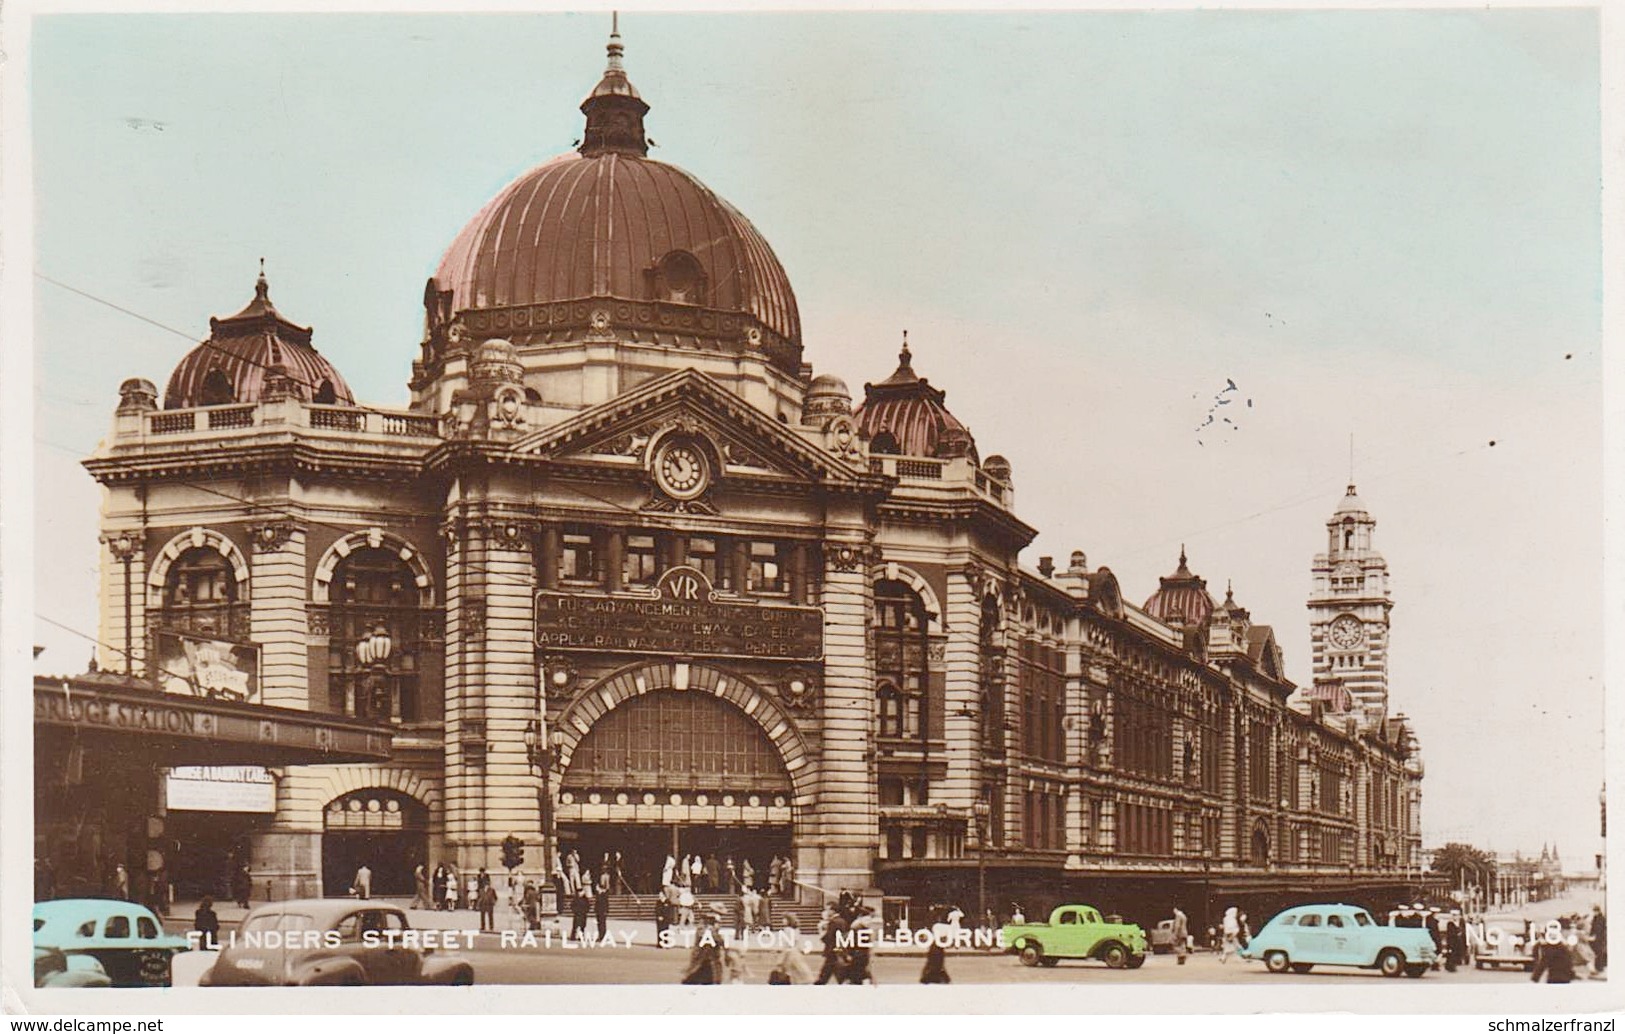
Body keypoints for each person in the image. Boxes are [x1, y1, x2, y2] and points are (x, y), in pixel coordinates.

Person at [768, 916, 815, 984]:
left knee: (788, 969)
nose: (783, 921)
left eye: (784, 919)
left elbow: (788, 942)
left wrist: (780, 951)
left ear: (788, 920)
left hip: (789, 952)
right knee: (796, 969)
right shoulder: (795, 930)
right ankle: (805, 980)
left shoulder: (787, 930)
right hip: (794, 952)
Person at [814, 903, 850, 984]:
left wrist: (822, 935)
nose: (826, 912)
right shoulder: (842, 921)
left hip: (832, 950)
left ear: (833, 911)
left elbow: (829, 937)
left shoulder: (834, 922)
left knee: (827, 972)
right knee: (830, 971)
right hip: (837, 950)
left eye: (828, 909)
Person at [571, 874, 593, 942]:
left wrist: (586, 911)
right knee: (575, 926)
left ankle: (581, 936)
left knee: (582, 926)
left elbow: (588, 906)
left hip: (583, 914)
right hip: (578, 914)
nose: (581, 893)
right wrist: (575, 911)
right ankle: (573, 936)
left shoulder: (584, 899)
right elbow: (572, 905)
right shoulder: (576, 899)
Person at [594, 867, 611, 942]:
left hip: (602, 911)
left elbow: (606, 903)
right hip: (599, 911)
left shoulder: (603, 895)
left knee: (602, 924)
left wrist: (606, 910)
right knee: (600, 924)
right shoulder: (599, 895)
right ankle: (601, 935)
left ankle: (603, 936)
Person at [1592, 907, 1608, 973]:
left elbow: (1599, 929)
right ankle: (1598, 966)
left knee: (1599, 952)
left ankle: (1599, 967)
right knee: (1598, 952)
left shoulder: (1600, 918)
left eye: (1594, 911)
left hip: (1599, 938)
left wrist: (1594, 936)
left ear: (1597, 911)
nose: (1594, 913)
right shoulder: (1597, 917)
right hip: (1599, 937)